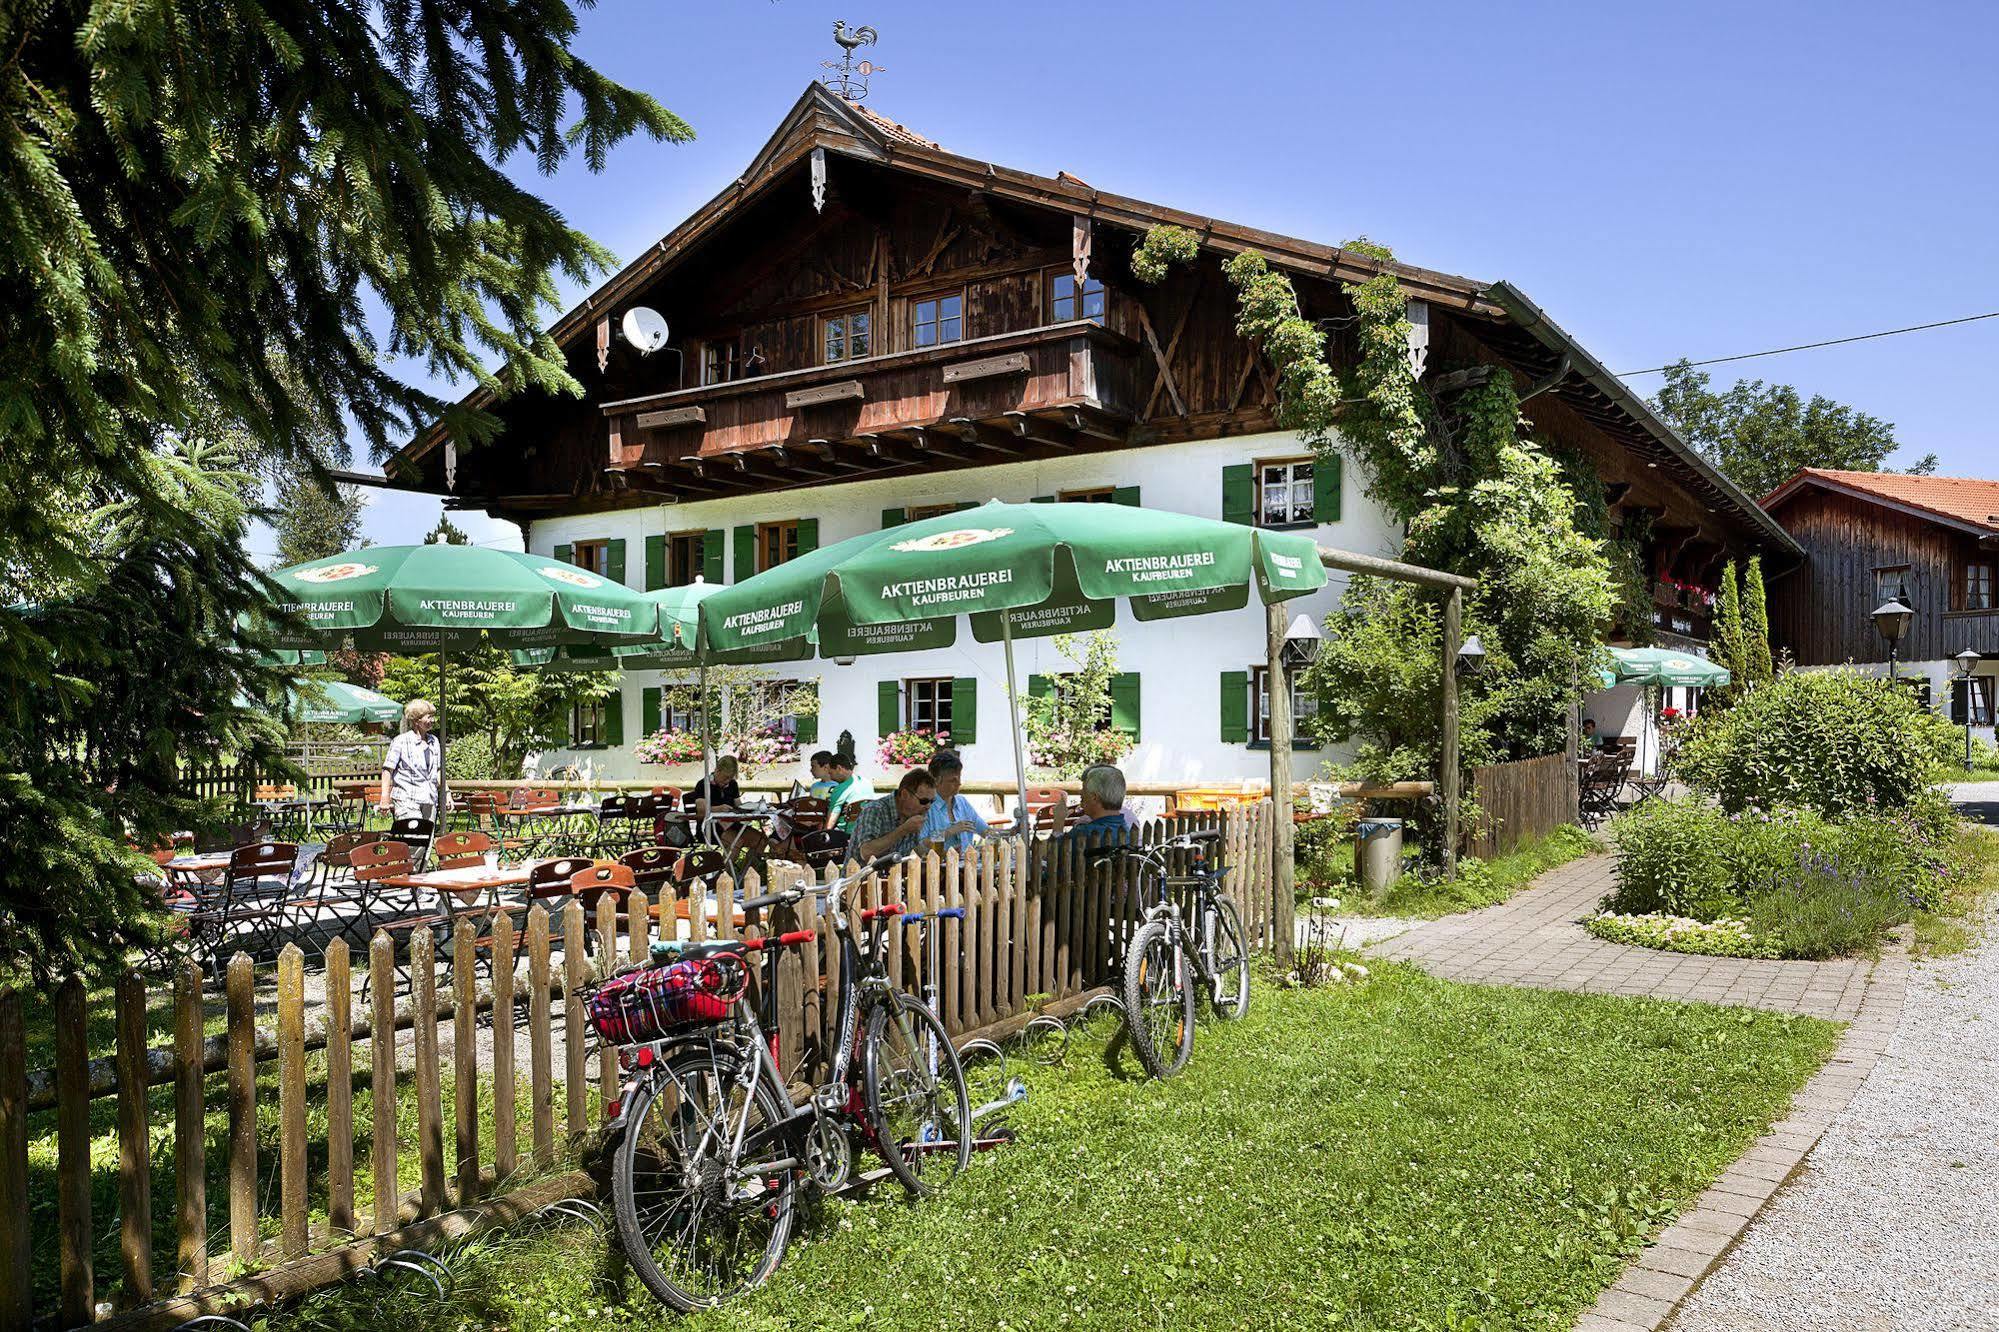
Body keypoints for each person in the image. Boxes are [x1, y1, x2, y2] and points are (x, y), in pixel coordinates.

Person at [852, 769, 936, 861]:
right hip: (864, 874)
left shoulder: (914, 813)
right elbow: (866, 852)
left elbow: (907, 855)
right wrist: (904, 829)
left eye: (932, 801)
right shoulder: (876, 810)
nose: (928, 806)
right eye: (924, 801)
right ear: (904, 795)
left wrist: (925, 847)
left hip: (896, 874)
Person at [377, 699, 441, 821]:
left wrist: (447, 794)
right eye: (429, 717)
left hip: (429, 799)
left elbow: (437, 772)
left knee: (427, 838)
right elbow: (387, 770)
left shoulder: (434, 741)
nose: (432, 720)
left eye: (433, 717)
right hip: (407, 799)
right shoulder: (401, 741)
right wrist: (385, 797)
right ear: (416, 720)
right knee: (414, 837)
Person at [918, 749, 988, 853]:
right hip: (938, 867)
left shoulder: (962, 802)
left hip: (967, 865)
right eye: (953, 780)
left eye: (959, 778)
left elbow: (986, 831)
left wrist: (1008, 833)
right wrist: (948, 832)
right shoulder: (926, 806)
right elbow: (921, 845)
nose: (959, 783)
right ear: (935, 780)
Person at [1050, 764, 1137, 843]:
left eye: (1084, 789)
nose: (1080, 793)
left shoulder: (1084, 832)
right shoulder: (1126, 828)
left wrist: (1059, 820)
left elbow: (1053, 854)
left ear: (1094, 797)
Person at [825, 751, 875, 829]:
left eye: (831, 773)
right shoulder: (867, 783)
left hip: (846, 834)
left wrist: (823, 835)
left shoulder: (839, 789)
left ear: (839, 768)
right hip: (866, 830)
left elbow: (830, 823)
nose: (831, 778)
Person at [686, 755, 741, 819]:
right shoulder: (703, 784)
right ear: (717, 771)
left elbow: (738, 804)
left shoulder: (733, 784)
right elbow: (701, 809)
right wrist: (719, 809)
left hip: (731, 822)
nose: (727, 781)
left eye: (731, 778)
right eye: (725, 777)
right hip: (709, 824)